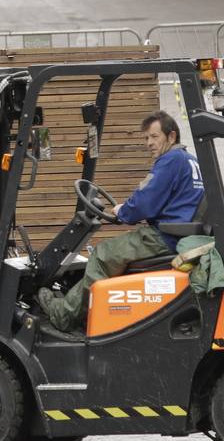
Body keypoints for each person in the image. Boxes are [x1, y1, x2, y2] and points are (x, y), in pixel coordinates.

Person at [36, 111, 204, 332]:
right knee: (113, 254)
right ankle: (87, 308)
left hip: (165, 237)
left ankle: (65, 315)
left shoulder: (170, 160)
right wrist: (125, 208)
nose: (149, 143)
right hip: (179, 234)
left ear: (171, 137)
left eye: (154, 137)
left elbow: (146, 200)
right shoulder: (188, 160)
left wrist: (123, 210)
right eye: (146, 138)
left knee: (102, 255)